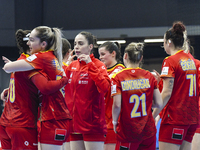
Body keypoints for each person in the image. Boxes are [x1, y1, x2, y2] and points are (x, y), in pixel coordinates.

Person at [2, 26, 72, 150]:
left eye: (32, 40)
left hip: (50, 117)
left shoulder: (38, 60)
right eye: (29, 40)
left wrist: (63, 81)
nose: (30, 43)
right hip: (46, 117)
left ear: (43, 44)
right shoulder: (40, 61)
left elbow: (44, 87)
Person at [152, 21, 199, 150]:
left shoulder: (170, 61)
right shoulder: (192, 60)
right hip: (191, 119)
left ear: (169, 42)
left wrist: (153, 115)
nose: (163, 45)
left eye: (163, 42)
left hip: (174, 118)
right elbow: (181, 86)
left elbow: (167, 93)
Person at [111, 42, 162, 150]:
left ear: (125, 56)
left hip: (127, 131)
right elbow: (159, 103)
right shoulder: (149, 76)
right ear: (141, 58)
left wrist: (114, 122)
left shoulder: (118, 77)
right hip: (147, 131)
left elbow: (116, 105)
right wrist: (147, 103)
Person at [64, 31, 110, 150]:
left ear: (90, 47)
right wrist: (64, 67)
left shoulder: (98, 65)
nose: (76, 47)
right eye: (75, 44)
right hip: (74, 124)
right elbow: (60, 86)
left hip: (92, 125)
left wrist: (90, 65)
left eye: (80, 43)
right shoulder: (72, 65)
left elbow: (105, 87)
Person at [98, 41, 125, 150]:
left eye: (103, 54)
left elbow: (104, 84)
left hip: (113, 123)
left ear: (113, 53)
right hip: (101, 122)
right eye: (99, 55)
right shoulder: (102, 71)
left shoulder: (120, 71)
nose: (100, 57)